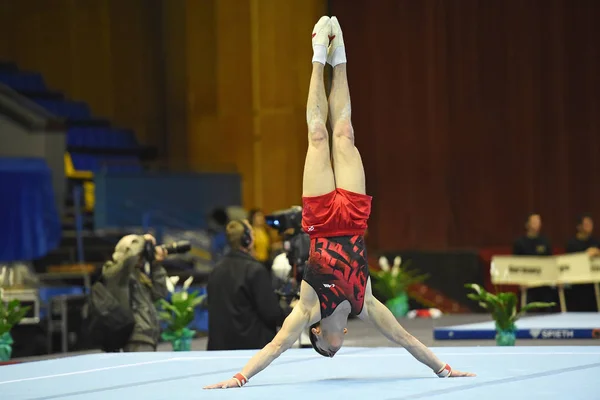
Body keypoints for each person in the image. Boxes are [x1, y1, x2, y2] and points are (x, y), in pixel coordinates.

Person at [204, 16, 475, 389]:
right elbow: (406, 339)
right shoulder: (364, 303)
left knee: (318, 136)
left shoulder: (308, 309)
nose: (339, 344)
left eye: (331, 348)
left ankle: (319, 56)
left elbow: (277, 345)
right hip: (352, 220)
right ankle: (340, 58)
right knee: (343, 133)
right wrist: (444, 370)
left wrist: (238, 378)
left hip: (319, 220)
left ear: (317, 334)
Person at [206, 219, 293, 350]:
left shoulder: (216, 270)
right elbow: (271, 314)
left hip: (221, 348)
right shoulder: (255, 270)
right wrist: (292, 310)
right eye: (252, 233)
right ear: (247, 239)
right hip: (251, 350)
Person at [101, 233, 168, 352]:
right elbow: (130, 257)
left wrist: (156, 265)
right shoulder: (115, 272)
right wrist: (143, 241)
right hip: (135, 338)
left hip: (147, 337)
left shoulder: (138, 274)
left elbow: (159, 293)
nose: (142, 257)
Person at [512, 213, 556, 309]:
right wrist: (520, 281)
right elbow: (515, 264)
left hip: (544, 284)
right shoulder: (520, 243)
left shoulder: (545, 241)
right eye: (534, 222)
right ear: (527, 224)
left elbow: (550, 262)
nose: (537, 224)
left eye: (538, 222)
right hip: (527, 285)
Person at [565, 214, 600, 311]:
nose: (589, 226)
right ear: (579, 226)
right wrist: (585, 255)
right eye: (586, 224)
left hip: (593, 285)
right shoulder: (572, 244)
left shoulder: (595, 242)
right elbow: (570, 262)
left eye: (590, 224)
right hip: (577, 285)